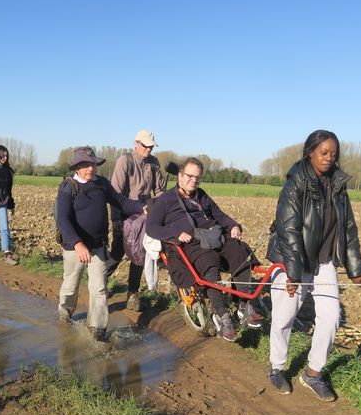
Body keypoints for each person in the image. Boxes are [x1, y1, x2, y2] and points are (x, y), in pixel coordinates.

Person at [266, 130, 361, 401]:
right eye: (324, 152)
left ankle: (312, 373)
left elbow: (348, 227)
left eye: (333, 154)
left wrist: (356, 268)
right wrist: (293, 272)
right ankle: (277, 367)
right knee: (285, 317)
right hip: (292, 261)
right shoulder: (295, 184)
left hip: (324, 261)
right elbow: (288, 230)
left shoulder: (338, 185)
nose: (329, 158)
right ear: (310, 152)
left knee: (331, 317)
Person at [146, 157, 263, 342]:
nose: (194, 180)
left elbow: (220, 216)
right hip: (189, 243)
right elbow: (151, 227)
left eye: (197, 177)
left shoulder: (201, 195)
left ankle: (245, 306)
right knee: (208, 261)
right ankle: (221, 315)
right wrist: (176, 232)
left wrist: (233, 226)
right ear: (180, 175)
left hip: (211, 234)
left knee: (241, 252)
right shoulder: (166, 200)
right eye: (190, 176)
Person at [56, 146, 145, 341]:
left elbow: (121, 202)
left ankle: (97, 328)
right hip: (74, 248)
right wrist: (78, 244)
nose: (91, 168)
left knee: (99, 287)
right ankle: (65, 313)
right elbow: (62, 220)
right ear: (77, 167)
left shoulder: (102, 184)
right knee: (71, 284)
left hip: (98, 246)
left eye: (93, 164)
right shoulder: (68, 187)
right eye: (87, 165)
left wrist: (141, 207)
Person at [107, 130, 166, 311]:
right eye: (145, 145)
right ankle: (99, 281)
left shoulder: (154, 163)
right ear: (136, 144)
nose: (148, 149)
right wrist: (116, 219)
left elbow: (161, 190)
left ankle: (133, 293)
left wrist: (161, 210)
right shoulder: (125, 161)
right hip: (125, 215)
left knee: (140, 254)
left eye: (151, 146)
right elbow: (114, 194)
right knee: (117, 252)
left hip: (146, 217)